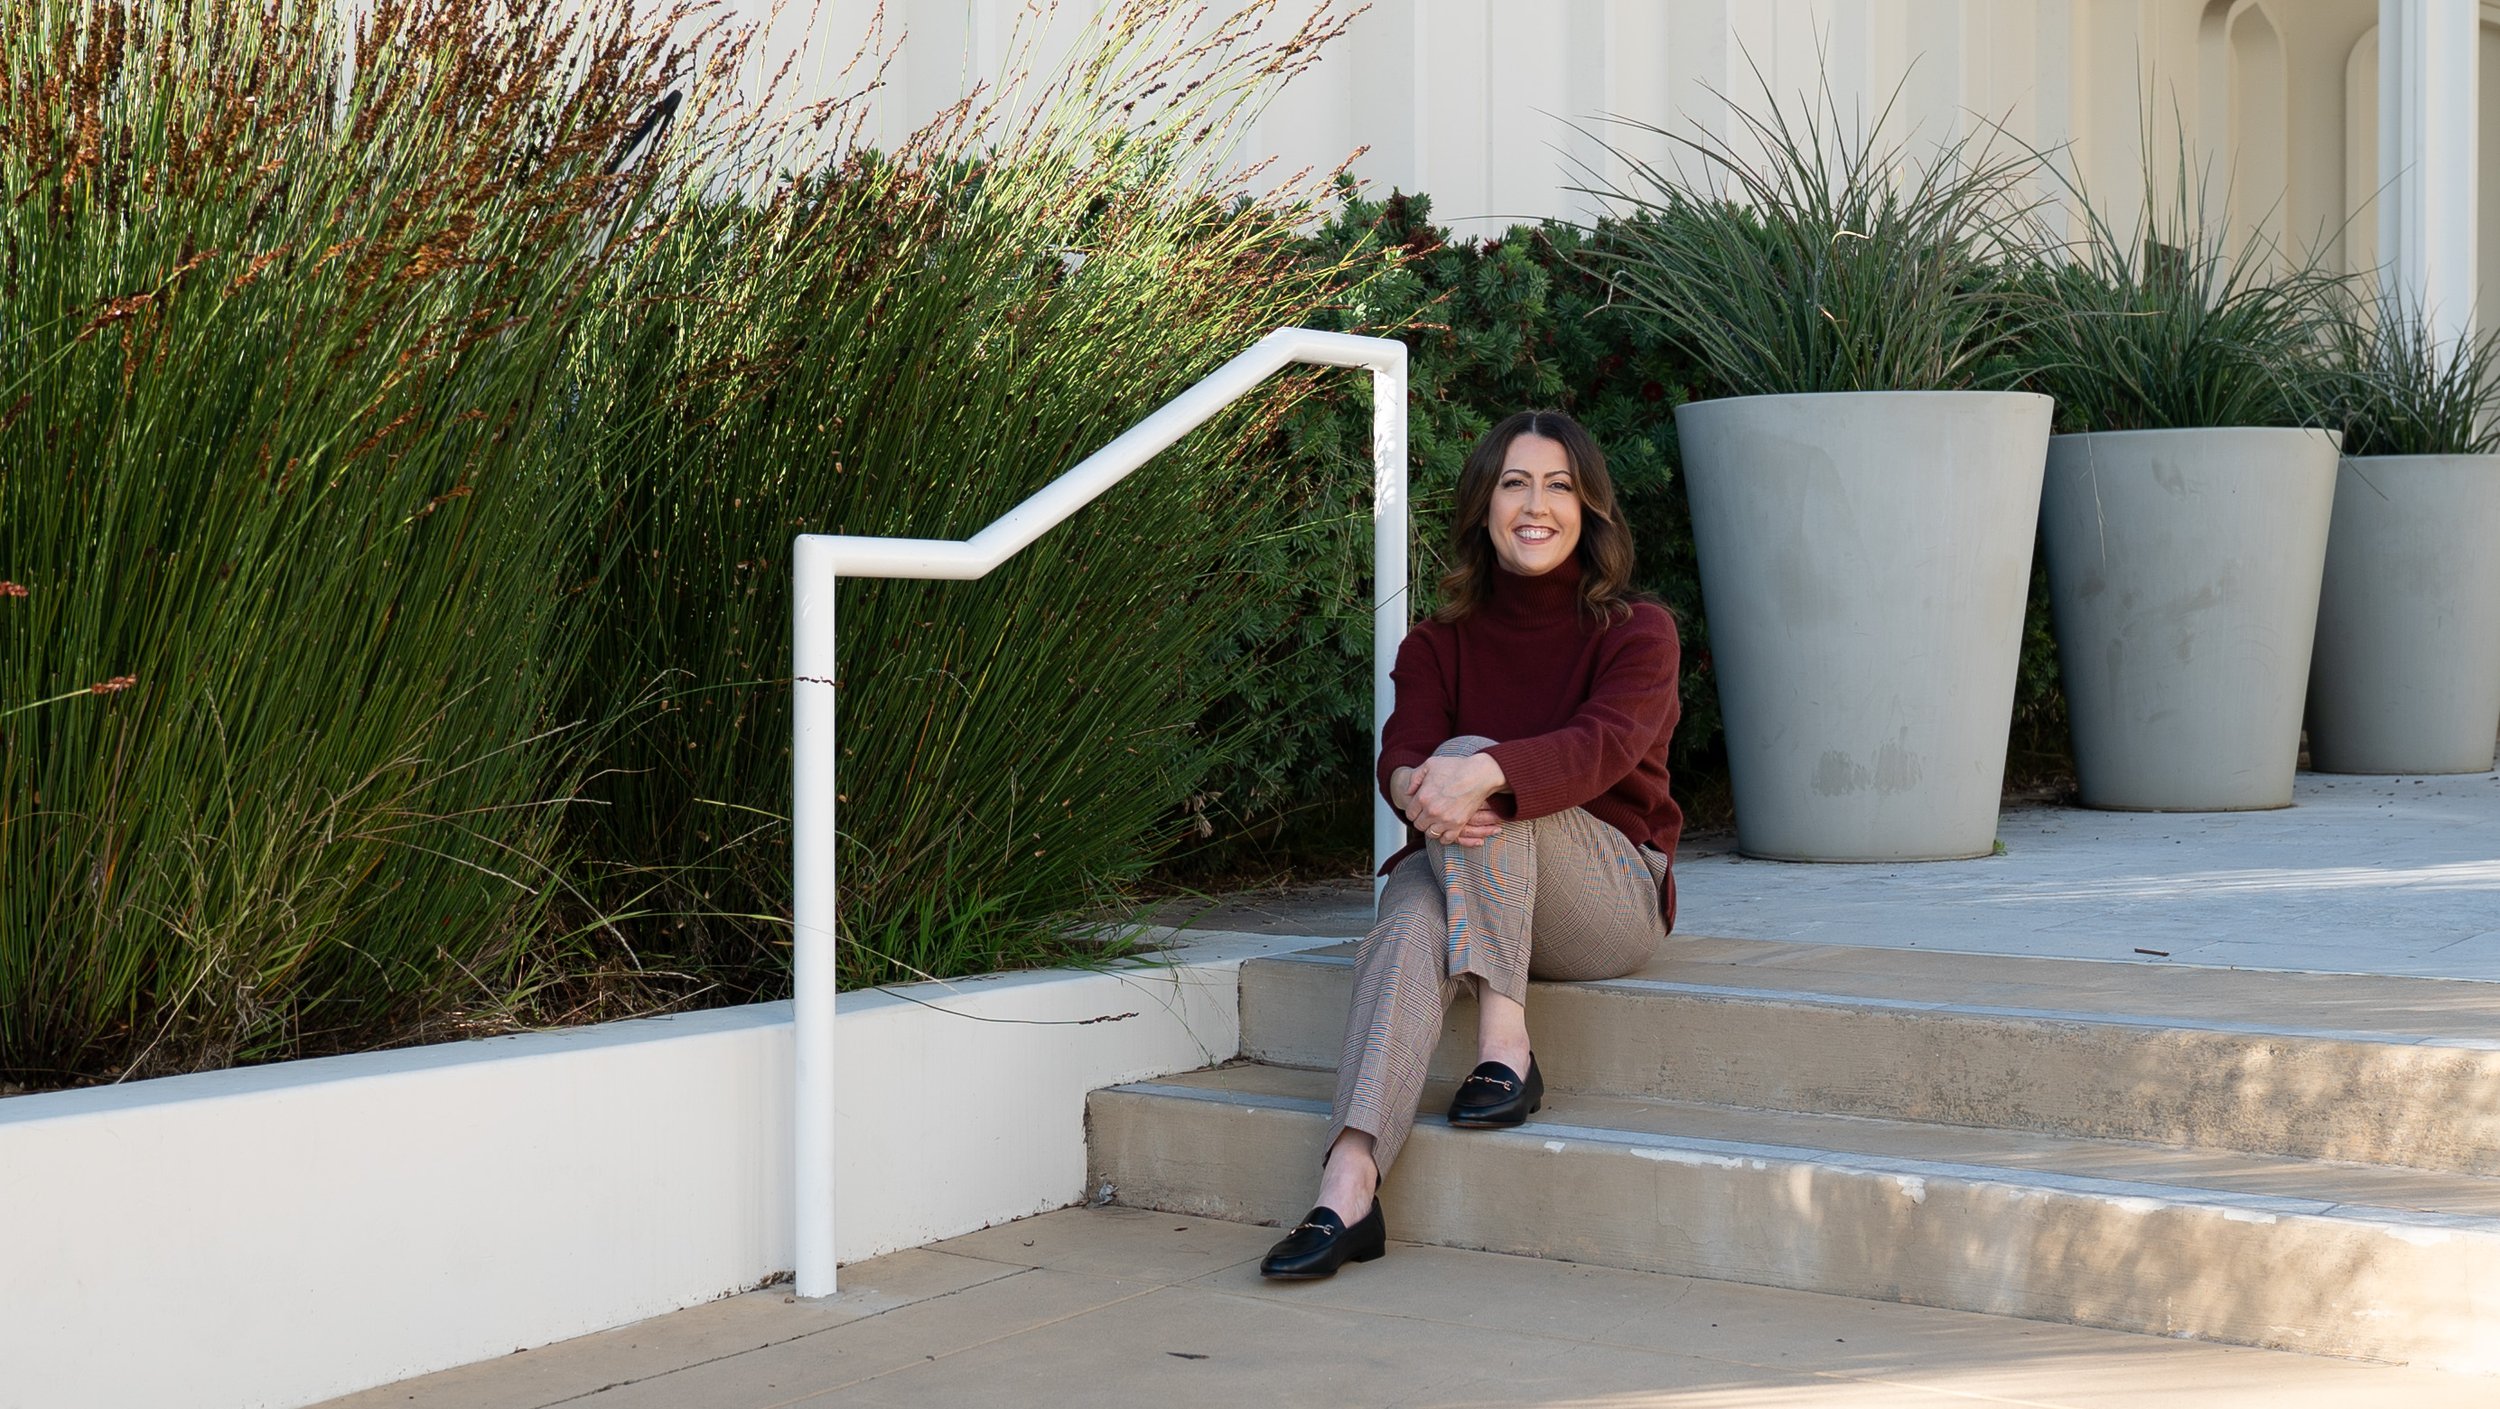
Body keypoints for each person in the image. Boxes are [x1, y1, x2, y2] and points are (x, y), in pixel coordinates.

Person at [1259, 409, 1684, 1280]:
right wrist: (1427, 785)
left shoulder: (1638, 629)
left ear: (1590, 508)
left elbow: (1601, 747)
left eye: (1560, 485)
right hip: (1466, 875)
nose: (1537, 505)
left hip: (1603, 896)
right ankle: (1349, 1180)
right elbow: (1400, 760)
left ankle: (1505, 1041)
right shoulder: (1435, 644)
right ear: (1483, 507)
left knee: (1466, 766)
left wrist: (1471, 771)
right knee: (1411, 918)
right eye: (1514, 483)